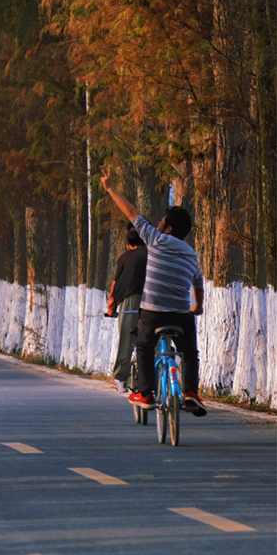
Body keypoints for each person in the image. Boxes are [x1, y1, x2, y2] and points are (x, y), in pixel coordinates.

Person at [100, 167, 207, 416]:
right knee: (190, 351)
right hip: (181, 314)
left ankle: (146, 393)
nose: (156, 224)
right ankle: (191, 391)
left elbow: (131, 212)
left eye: (161, 222)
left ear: (168, 229)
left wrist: (110, 188)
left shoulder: (155, 240)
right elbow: (198, 284)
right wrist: (197, 307)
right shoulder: (191, 255)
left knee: (145, 346)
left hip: (153, 313)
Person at [107, 228, 147, 392]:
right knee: (152, 339)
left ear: (128, 245)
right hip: (150, 299)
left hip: (129, 301)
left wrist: (111, 308)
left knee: (126, 339)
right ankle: (153, 376)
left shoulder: (124, 257)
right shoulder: (151, 253)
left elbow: (115, 284)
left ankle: (121, 379)